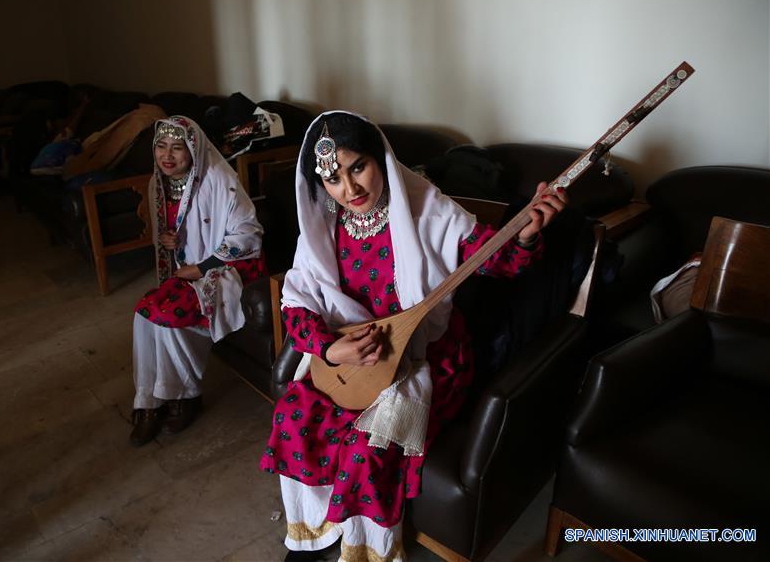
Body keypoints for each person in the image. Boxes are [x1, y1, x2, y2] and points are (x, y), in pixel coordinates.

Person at [259, 112, 567, 561]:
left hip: (426, 357)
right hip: (349, 358)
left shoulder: (427, 208)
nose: (351, 190)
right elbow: (298, 302)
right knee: (292, 416)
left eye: (358, 167)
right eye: (332, 179)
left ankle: (365, 551)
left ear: (380, 158)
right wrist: (329, 346)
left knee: (370, 446)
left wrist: (523, 237)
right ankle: (313, 535)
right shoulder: (323, 226)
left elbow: (493, 260)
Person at [130, 116, 266, 446]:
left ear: (194, 150)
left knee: (167, 315)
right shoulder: (157, 184)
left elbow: (250, 236)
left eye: (178, 148)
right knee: (144, 312)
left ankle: (185, 397)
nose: (168, 155)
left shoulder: (219, 179)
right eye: (161, 146)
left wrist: (202, 265)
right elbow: (181, 236)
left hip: (229, 267)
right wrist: (172, 244)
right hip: (189, 268)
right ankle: (149, 400)